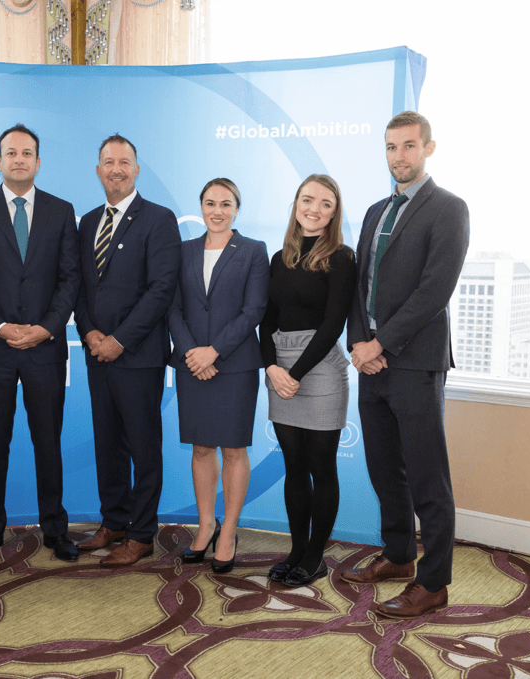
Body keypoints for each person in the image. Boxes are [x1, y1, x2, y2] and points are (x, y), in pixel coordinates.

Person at [341, 111, 469, 618]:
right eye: (392, 147)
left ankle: (434, 582)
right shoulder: (375, 211)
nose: (400, 156)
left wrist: (382, 345)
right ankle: (398, 557)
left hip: (414, 363)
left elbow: (434, 292)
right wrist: (359, 343)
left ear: (428, 149)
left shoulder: (449, 208)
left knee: (426, 477)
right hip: (371, 363)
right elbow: (358, 286)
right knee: (382, 469)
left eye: (409, 146)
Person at [0, 125, 80, 563]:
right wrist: (0, 327)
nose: (20, 159)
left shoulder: (62, 211)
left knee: (49, 441)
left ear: (39, 162)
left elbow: (70, 278)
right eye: (11, 152)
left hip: (45, 348)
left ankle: (56, 530)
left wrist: (45, 328)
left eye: (28, 153)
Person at [74, 134, 181, 567]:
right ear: (98, 170)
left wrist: (119, 339)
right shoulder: (86, 222)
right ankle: (113, 522)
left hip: (138, 356)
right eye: (108, 162)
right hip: (97, 353)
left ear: (137, 169)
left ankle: (141, 533)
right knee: (107, 445)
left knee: (142, 446)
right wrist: (90, 334)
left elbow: (161, 290)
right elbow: (78, 287)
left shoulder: (159, 219)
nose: (116, 169)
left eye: (124, 162)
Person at [167, 178, 269, 573]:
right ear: (201, 207)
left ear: (237, 209)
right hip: (192, 364)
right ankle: (205, 525)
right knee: (201, 448)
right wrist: (194, 353)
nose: (217, 210)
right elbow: (172, 308)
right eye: (210, 203)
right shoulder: (184, 251)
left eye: (226, 203)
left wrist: (215, 351)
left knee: (232, 449)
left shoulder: (254, 251)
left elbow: (253, 311)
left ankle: (229, 529)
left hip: (235, 366)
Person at [259, 174, 356, 587]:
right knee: (293, 466)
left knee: (321, 466)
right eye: (308, 199)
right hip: (280, 370)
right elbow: (266, 321)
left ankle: (316, 558)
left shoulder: (342, 257)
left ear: (334, 213)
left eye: (326, 204)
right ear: (296, 203)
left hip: (319, 370)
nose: (314, 209)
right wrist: (272, 369)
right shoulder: (279, 258)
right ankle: (297, 551)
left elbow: (334, 324)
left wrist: (294, 374)